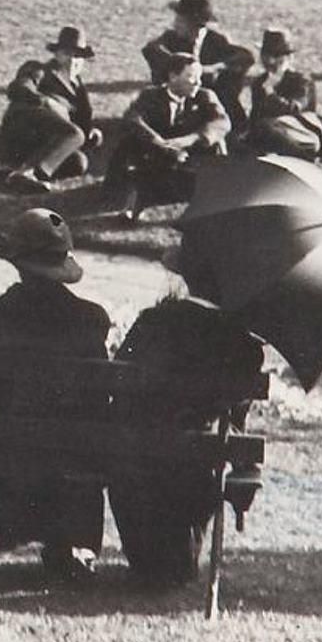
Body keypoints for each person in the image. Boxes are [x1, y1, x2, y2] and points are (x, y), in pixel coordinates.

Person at [0, 207, 113, 579]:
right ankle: (72, 544)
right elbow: (98, 396)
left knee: (20, 431)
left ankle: (19, 531)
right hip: (76, 449)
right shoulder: (91, 319)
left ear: (16, 261)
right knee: (76, 434)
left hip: (5, 444)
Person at [106, 246, 268, 588]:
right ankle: (173, 562)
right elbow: (237, 416)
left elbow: (117, 383)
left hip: (134, 462)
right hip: (195, 470)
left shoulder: (151, 322)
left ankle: (156, 561)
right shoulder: (241, 342)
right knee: (202, 453)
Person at [100, 51, 228, 222]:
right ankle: (128, 197)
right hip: (158, 156)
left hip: (191, 155)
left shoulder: (205, 96)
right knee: (130, 142)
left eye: (199, 77)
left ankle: (216, 192)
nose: (198, 82)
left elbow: (222, 122)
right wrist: (159, 143)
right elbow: (132, 119)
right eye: (191, 77)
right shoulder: (151, 96)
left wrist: (189, 140)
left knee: (217, 142)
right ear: (173, 77)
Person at [0, 25, 99, 192]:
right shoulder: (41, 69)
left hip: (47, 140)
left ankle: (9, 170)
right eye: (67, 54)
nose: (72, 61)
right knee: (74, 134)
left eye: (78, 56)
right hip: (25, 124)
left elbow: (83, 127)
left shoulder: (79, 89)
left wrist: (93, 135)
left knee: (79, 162)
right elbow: (18, 88)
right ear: (57, 54)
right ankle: (29, 173)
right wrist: (46, 102)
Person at [140, 0, 255, 108]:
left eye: (180, 21)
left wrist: (215, 68)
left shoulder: (216, 41)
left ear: (195, 24)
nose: (175, 25)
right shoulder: (171, 38)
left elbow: (246, 57)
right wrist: (180, 66)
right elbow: (150, 49)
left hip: (213, 106)